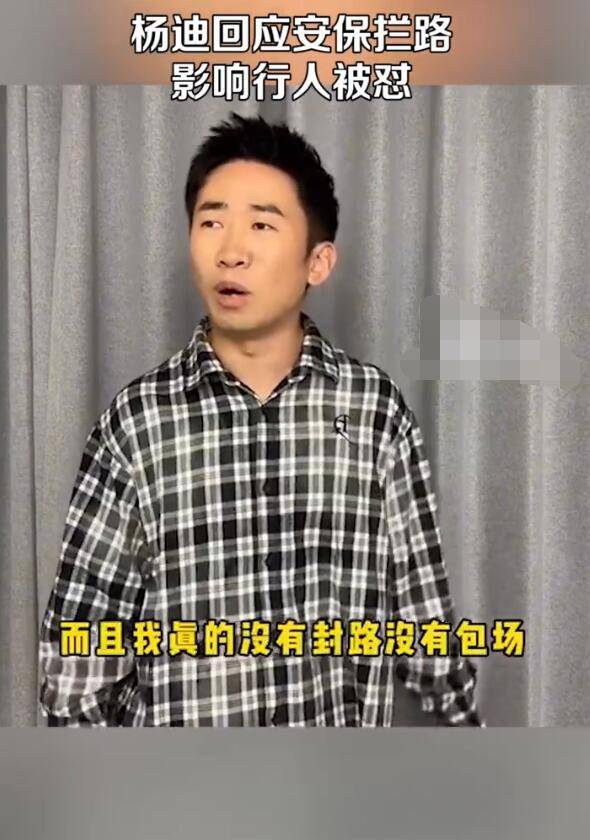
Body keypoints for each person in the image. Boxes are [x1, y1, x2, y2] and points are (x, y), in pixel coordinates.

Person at [39, 112, 483, 727]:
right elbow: (78, 663)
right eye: (211, 222)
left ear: (317, 262)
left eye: (262, 225)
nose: (231, 251)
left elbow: (426, 628)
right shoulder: (136, 425)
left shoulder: (374, 413)